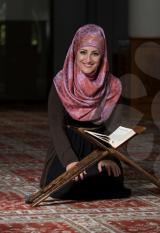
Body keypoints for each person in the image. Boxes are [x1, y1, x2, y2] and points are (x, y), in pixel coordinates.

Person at [40, 24, 131, 200]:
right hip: (67, 147)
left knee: (108, 179)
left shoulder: (112, 85)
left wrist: (109, 157)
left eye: (95, 53)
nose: (88, 59)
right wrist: (70, 162)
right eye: (83, 52)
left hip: (99, 148)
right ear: (74, 52)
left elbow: (115, 129)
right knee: (67, 185)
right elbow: (55, 127)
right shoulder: (61, 83)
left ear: (102, 56)